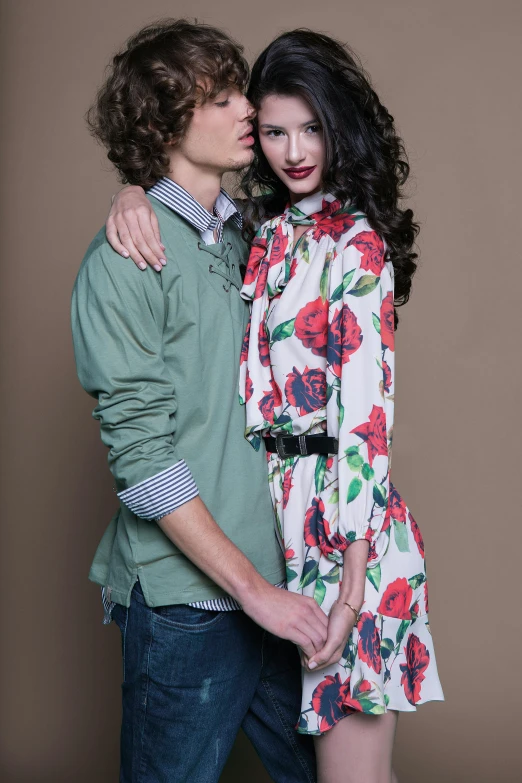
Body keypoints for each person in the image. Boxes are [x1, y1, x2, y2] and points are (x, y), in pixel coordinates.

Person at [109, 28, 444, 783]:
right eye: (274, 130)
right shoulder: (260, 232)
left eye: (312, 128)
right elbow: (181, 201)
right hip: (279, 536)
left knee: (350, 777)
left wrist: (352, 586)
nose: (294, 149)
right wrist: (131, 192)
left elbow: (365, 418)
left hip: (343, 536)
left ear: (338, 128)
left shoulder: (354, 243)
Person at [72, 20, 324, 783]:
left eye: (237, 88)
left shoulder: (249, 234)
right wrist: (255, 595)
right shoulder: (125, 261)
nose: (246, 107)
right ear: (164, 123)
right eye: (218, 97)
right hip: (192, 603)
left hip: (281, 579)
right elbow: (144, 463)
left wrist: (276, 591)